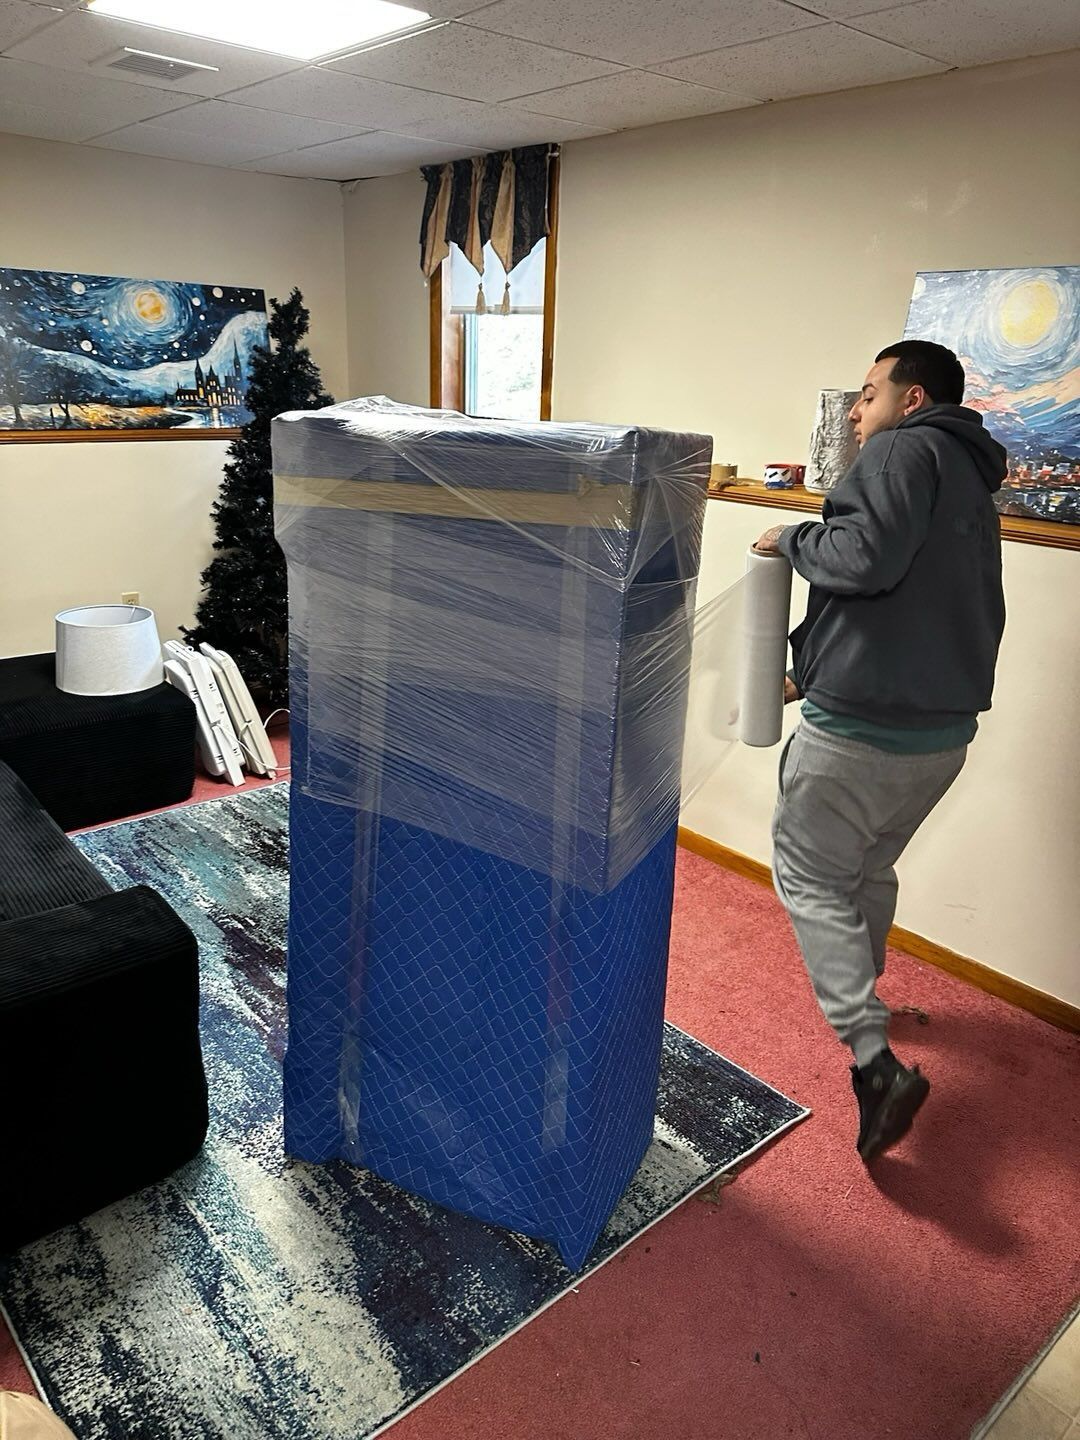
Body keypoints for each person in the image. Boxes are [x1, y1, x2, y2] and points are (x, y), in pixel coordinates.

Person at [754, 339, 1007, 1162]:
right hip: (941, 734)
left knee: (810, 872)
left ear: (912, 397)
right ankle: (864, 993)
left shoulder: (903, 448)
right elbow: (907, 596)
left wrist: (791, 541)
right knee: (866, 867)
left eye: (868, 394)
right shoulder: (968, 469)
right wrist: (809, 668)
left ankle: (873, 1061)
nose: (857, 413)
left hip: (864, 733)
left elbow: (863, 561)